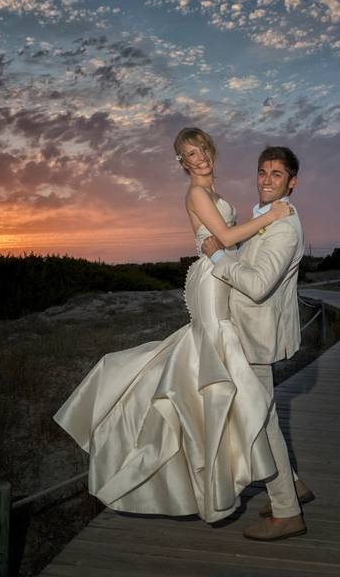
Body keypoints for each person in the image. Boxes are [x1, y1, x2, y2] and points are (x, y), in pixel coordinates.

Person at [54, 128, 297, 530]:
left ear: (210, 151)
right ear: (181, 163)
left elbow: (228, 242)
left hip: (219, 276)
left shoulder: (210, 191)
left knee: (224, 374)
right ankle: (263, 484)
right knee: (218, 365)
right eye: (189, 153)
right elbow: (225, 237)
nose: (198, 157)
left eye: (201, 149)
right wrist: (273, 215)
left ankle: (281, 484)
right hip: (211, 278)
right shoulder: (197, 194)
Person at [200, 145, 312, 540]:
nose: (266, 179)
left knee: (261, 422)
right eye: (263, 172)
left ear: (292, 182)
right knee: (262, 417)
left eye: (276, 174)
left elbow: (258, 284)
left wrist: (218, 257)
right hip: (248, 332)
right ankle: (293, 486)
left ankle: (287, 512)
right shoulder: (266, 216)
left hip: (256, 337)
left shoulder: (283, 227)